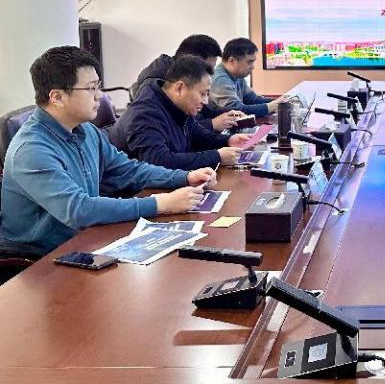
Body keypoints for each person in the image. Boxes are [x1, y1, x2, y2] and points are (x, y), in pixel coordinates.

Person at [0, 47, 211, 257]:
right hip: (40, 258)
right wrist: (160, 204)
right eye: (91, 88)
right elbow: (79, 210)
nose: (99, 96)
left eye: (98, 86)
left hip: (85, 237)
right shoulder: (31, 150)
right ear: (57, 97)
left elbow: (128, 170)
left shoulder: (86, 131)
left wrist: (184, 177)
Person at [109, 56, 249, 171]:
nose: (205, 101)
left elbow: (196, 133)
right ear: (180, 88)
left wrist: (227, 140)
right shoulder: (144, 115)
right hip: (133, 191)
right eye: (202, 94)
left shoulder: (178, 105)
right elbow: (159, 161)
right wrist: (216, 156)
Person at [131, 34, 244, 132]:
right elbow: (171, 131)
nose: (209, 75)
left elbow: (205, 111)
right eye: (207, 69)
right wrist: (212, 124)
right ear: (194, 62)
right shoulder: (155, 87)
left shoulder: (181, 74)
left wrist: (230, 113)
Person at [211, 38, 281, 117]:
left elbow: (252, 99)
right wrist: (272, 106)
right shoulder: (220, 80)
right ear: (232, 61)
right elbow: (237, 112)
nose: (252, 67)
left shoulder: (237, 75)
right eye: (249, 62)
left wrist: (279, 101)